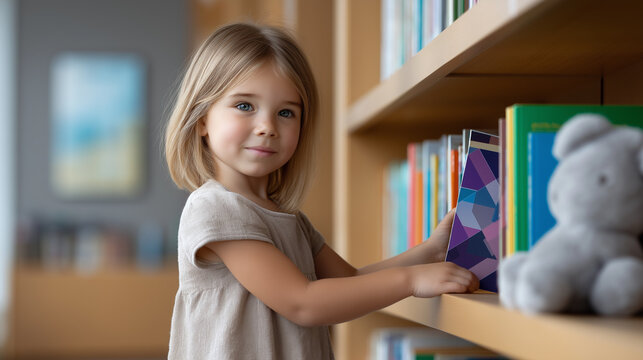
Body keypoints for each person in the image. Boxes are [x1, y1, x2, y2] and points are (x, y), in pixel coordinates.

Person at [164, 22, 479, 360]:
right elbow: (303, 302)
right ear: (201, 119)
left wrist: (429, 252)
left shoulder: (291, 220)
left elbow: (352, 281)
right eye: (244, 106)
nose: (267, 127)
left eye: (286, 112)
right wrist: (411, 281)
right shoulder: (216, 209)